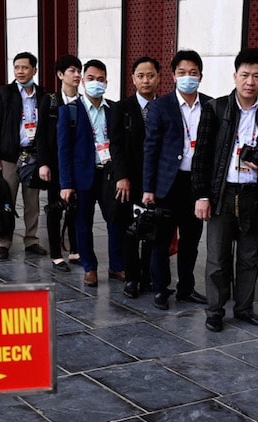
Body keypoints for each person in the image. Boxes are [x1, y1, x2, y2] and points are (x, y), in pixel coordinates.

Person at [192, 48, 258, 332]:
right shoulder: (217, 109)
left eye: (257, 76)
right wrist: (202, 195)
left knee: (249, 257)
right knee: (217, 258)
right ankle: (214, 310)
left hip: (254, 194)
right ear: (235, 76)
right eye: (245, 75)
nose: (250, 81)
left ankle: (244, 308)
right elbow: (201, 156)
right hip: (222, 194)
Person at [142, 49, 211, 310]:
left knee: (191, 241)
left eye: (193, 73)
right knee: (161, 240)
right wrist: (148, 188)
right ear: (173, 75)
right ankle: (161, 288)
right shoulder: (160, 106)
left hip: (196, 185)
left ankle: (186, 288)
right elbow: (150, 149)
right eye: (182, 73)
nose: (187, 77)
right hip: (167, 185)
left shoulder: (210, 105)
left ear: (200, 76)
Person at [57, 59, 122, 287]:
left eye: (101, 79)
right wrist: (66, 184)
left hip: (108, 175)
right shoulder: (70, 111)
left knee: (115, 221)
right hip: (82, 175)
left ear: (107, 82)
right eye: (91, 78)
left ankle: (116, 265)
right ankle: (89, 267)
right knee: (83, 223)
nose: (96, 83)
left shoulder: (115, 110)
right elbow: (63, 151)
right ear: (83, 81)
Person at [0, 52, 48, 259]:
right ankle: (3, 241)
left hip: (32, 156)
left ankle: (31, 240)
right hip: (9, 156)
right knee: (6, 200)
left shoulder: (43, 95)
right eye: (17, 67)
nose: (20, 71)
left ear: (34, 70)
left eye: (25, 67)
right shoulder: (4, 93)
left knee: (32, 202)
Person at [109, 57, 159, 298]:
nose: (146, 80)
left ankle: (149, 277)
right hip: (131, 180)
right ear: (133, 79)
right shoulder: (122, 107)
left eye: (150, 75)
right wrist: (122, 176)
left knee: (154, 229)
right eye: (141, 75)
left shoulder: (165, 107)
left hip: (158, 181)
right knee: (130, 229)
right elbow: (115, 145)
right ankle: (131, 278)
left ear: (158, 77)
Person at [37, 54, 83, 271]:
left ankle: (75, 250)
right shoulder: (51, 100)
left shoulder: (82, 101)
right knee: (55, 208)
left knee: (76, 207)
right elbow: (41, 135)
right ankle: (56, 254)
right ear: (60, 75)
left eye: (78, 71)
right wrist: (43, 163)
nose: (77, 75)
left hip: (77, 163)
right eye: (72, 71)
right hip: (55, 163)